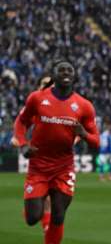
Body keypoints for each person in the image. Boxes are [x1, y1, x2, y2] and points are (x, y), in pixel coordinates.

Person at [13, 60, 100, 244]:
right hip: (38, 166)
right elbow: (21, 122)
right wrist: (23, 144)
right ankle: (36, 207)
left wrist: (83, 133)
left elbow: (96, 142)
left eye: (70, 69)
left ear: (75, 75)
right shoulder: (37, 98)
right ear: (54, 74)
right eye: (61, 70)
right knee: (32, 218)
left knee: (58, 215)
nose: (66, 72)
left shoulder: (84, 106)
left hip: (64, 167)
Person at [11, 75, 54, 234]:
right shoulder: (35, 103)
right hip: (39, 158)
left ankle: (48, 229)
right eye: (44, 83)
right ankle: (37, 215)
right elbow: (21, 122)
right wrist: (19, 140)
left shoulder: (63, 103)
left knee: (51, 197)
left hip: (58, 159)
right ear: (38, 86)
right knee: (44, 200)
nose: (48, 86)